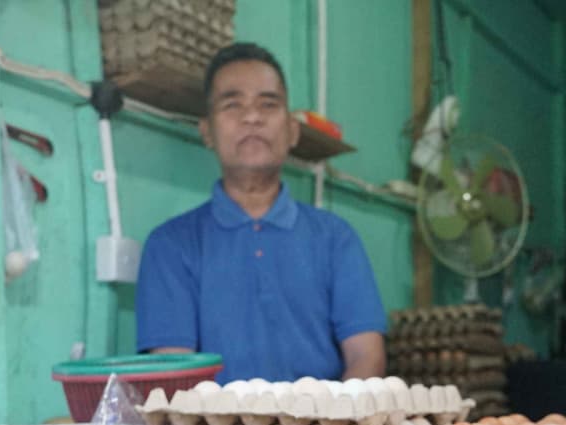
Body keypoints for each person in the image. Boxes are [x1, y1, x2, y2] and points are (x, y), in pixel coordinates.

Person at [135, 42, 387, 383]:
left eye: (268, 104)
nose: (252, 117)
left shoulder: (336, 239)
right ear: (207, 132)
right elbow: (174, 371)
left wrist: (331, 417)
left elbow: (366, 357)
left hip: (327, 418)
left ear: (292, 130)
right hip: (211, 420)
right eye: (232, 104)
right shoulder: (171, 245)